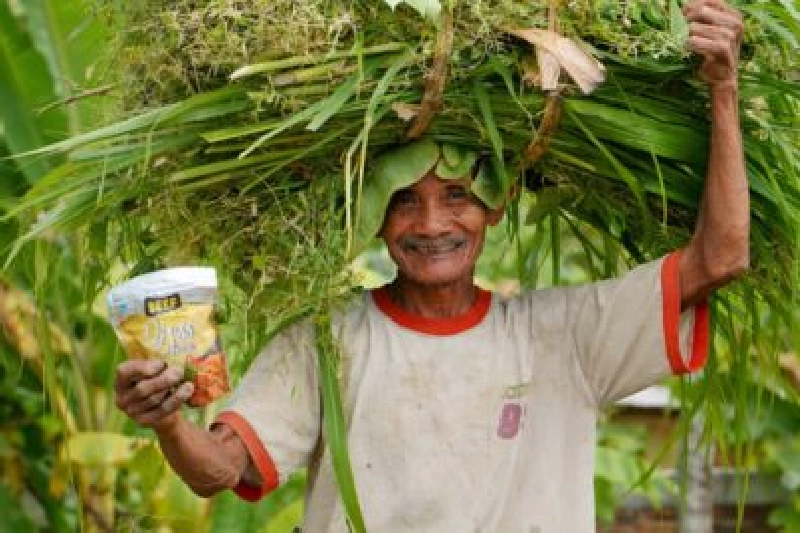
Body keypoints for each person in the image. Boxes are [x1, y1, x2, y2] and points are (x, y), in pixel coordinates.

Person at [114, 1, 748, 530]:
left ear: (495, 208)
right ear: (375, 221)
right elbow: (218, 470)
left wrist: (722, 90)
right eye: (405, 202)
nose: (433, 225)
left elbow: (721, 256)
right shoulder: (328, 343)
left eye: (456, 197)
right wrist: (168, 419)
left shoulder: (566, 336)